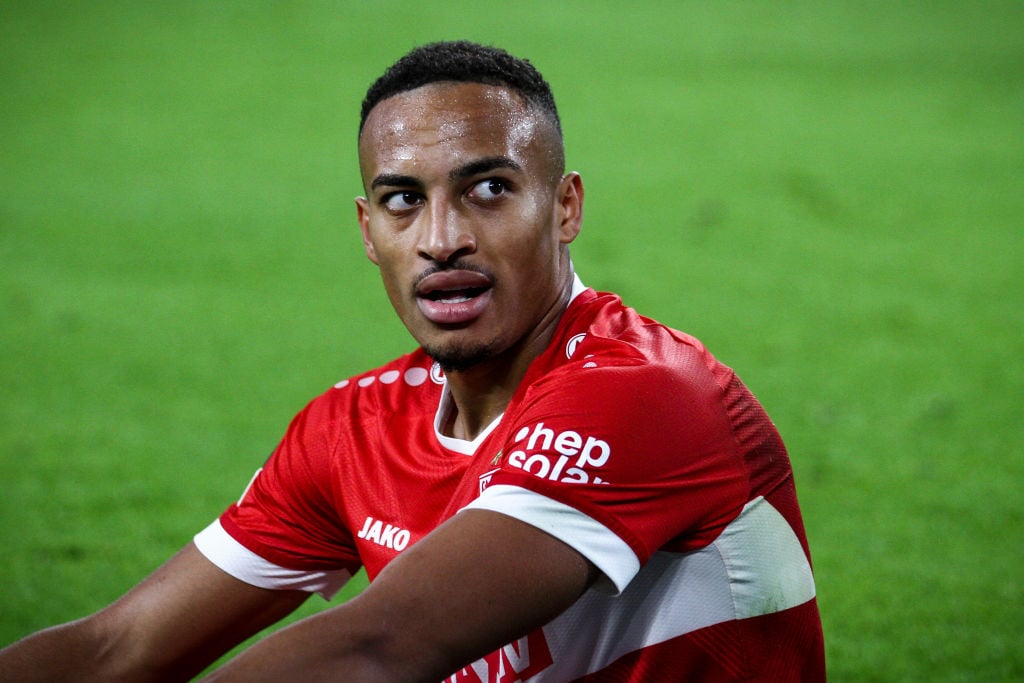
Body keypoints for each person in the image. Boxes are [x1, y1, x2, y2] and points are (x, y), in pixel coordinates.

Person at [0, 40, 825, 681]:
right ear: (368, 230)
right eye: (404, 200)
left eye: (489, 189)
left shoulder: (643, 391)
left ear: (566, 206)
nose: (442, 239)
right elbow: (116, 653)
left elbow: (380, 645)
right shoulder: (353, 427)